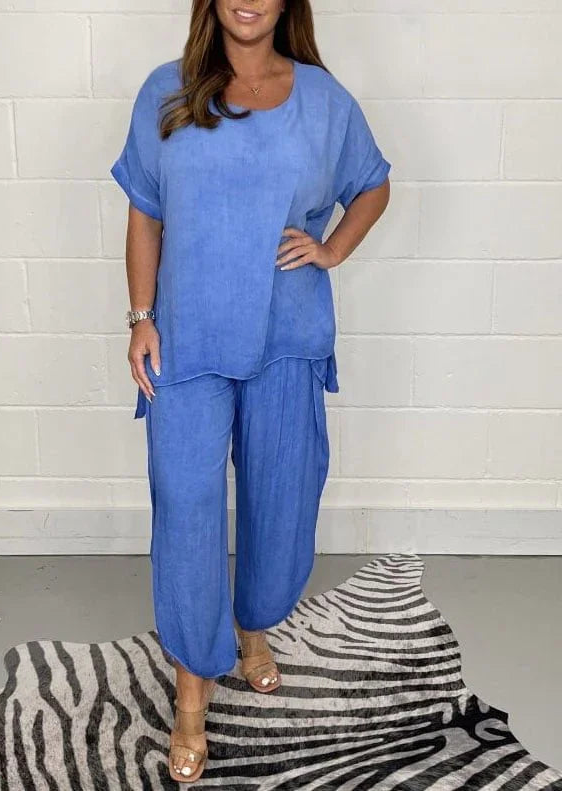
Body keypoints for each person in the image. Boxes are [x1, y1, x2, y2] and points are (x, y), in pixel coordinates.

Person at [110, 0, 391, 782]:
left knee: (281, 497)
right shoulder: (167, 92)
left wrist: (330, 247)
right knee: (188, 508)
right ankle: (193, 693)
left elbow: (372, 183)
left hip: (285, 337)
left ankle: (254, 624)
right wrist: (139, 316)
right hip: (188, 336)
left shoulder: (324, 100)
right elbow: (143, 212)